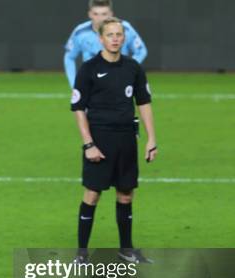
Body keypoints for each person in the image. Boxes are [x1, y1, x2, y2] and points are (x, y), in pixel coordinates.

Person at [70, 17, 158, 263]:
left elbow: (144, 103)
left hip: (127, 140)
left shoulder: (133, 68)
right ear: (101, 38)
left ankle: (126, 250)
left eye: (119, 34)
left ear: (124, 38)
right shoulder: (88, 69)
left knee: (126, 194)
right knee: (92, 194)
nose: (115, 38)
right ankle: (81, 254)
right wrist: (89, 144)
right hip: (99, 139)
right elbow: (78, 107)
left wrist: (151, 139)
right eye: (110, 35)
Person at [64, 0, 147, 88]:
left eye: (104, 14)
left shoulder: (125, 29)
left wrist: (127, 69)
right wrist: (74, 83)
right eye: (96, 14)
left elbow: (141, 51)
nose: (100, 19)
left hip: (119, 82)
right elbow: (69, 57)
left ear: (111, 14)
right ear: (90, 14)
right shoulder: (80, 32)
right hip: (90, 82)